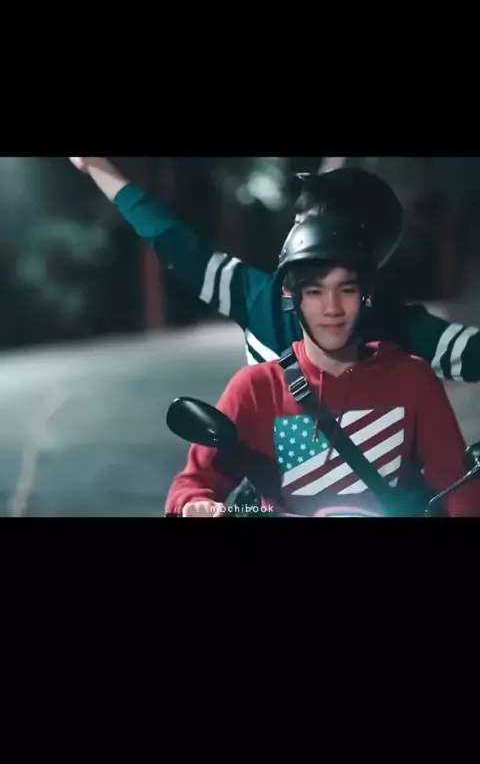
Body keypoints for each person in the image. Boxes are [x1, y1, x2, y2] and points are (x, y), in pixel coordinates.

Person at [165, 215, 480, 517]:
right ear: (291, 295)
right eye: (315, 291)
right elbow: (193, 483)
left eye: (347, 289)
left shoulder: (411, 378)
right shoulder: (257, 389)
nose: (332, 308)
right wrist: (195, 504)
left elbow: (457, 485)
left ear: (366, 294)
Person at [68, 157, 480, 382]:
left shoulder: (395, 323)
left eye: (306, 221)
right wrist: (100, 169)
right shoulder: (258, 297)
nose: (296, 232)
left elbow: (469, 352)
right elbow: (173, 240)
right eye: (298, 220)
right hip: (277, 492)